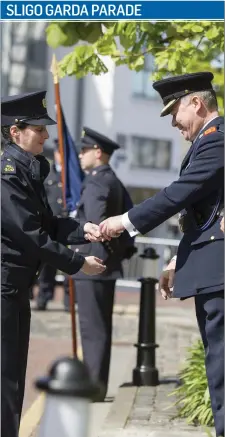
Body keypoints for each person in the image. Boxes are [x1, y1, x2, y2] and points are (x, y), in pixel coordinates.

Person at [99, 72, 224, 437]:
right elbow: (202, 213)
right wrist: (175, 261)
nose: (173, 123)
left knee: (221, 369)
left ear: (197, 103)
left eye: (175, 112)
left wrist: (123, 221)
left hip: (219, 276)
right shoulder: (207, 142)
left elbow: (179, 194)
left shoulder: (215, 141)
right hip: (210, 271)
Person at [1, 91, 106, 437]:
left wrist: (81, 229)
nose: (46, 135)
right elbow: (29, 233)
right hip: (4, 288)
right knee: (5, 383)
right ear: (15, 131)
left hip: (15, 289)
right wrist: (77, 264)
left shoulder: (26, 169)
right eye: (39, 129)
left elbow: (46, 222)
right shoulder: (7, 173)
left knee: (12, 380)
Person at [73, 127, 136, 401]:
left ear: (97, 153)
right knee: (99, 328)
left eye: (84, 150)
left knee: (93, 329)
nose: (80, 154)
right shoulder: (113, 180)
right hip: (104, 263)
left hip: (93, 261)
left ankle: (94, 388)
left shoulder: (98, 181)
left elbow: (97, 223)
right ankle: (96, 385)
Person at [35, 140, 69, 311]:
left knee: (69, 264)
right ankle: (44, 297)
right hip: (51, 226)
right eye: (59, 152)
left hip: (69, 227)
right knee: (47, 265)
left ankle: (69, 302)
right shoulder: (48, 174)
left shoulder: (72, 176)